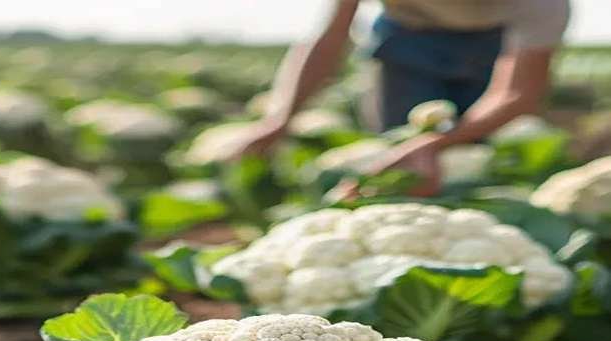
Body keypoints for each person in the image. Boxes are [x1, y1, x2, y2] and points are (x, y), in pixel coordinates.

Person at [221, 0, 571, 196]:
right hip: (406, 38)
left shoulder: (542, 5)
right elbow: (329, 41)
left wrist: (436, 143)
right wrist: (280, 117)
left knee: (483, 165)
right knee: (398, 162)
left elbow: (516, 94)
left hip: (497, 46)